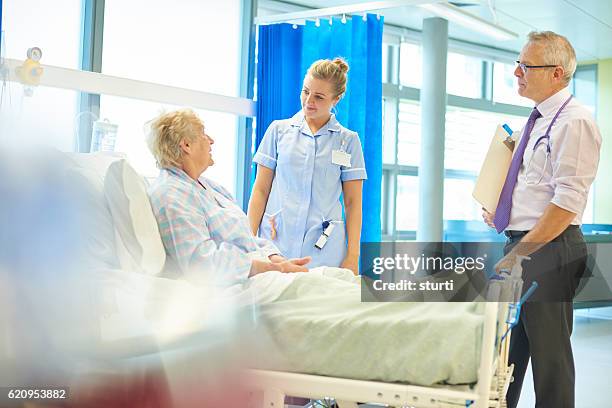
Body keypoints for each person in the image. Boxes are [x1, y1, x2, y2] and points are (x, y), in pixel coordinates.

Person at [482, 31, 601, 408]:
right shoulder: (533, 122)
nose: (517, 71)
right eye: (518, 63)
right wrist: (498, 209)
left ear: (557, 73)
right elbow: (533, 190)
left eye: (526, 65)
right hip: (525, 243)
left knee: (550, 362)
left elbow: (566, 204)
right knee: (506, 355)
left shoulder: (575, 122)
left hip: (551, 250)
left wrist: (521, 254)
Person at [146, 109, 310, 284]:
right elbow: (201, 264)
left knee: (335, 278)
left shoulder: (209, 187)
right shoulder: (172, 194)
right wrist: (272, 268)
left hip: (262, 273)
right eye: (203, 134)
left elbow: (246, 238)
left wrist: (276, 259)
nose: (211, 140)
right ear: (186, 145)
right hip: (240, 285)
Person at [248, 58, 367, 275]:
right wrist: (247, 241)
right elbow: (260, 190)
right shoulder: (278, 131)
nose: (309, 101)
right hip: (276, 243)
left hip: (324, 250)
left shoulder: (348, 141)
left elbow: (352, 203)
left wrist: (352, 256)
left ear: (336, 99)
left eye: (319, 97)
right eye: (305, 92)